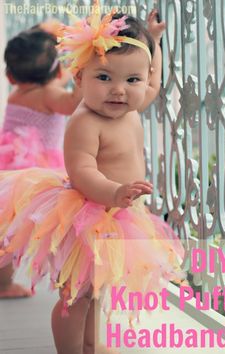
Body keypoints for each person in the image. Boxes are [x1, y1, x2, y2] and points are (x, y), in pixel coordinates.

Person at [0, 4, 185, 354]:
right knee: (76, 295)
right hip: (88, 213)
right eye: (104, 78)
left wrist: (156, 43)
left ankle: (90, 344)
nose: (119, 90)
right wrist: (114, 192)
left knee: (96, 290)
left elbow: (155, 82)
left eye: (132, 80)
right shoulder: (85, 121)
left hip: (117, 212)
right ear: (78, 77)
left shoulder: (131, 104)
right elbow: (82, 171)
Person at [0, 25, 82, 298]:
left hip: (9, 169)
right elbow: (72, 103)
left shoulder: (17, 93)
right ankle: (65, 278)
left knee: (7, 233)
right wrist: (82, 70)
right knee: (54, 228)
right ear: (58, 73)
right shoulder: (49, 95)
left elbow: (53, 86)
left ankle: (3, 283)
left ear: (10, 75)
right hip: (38, 174)